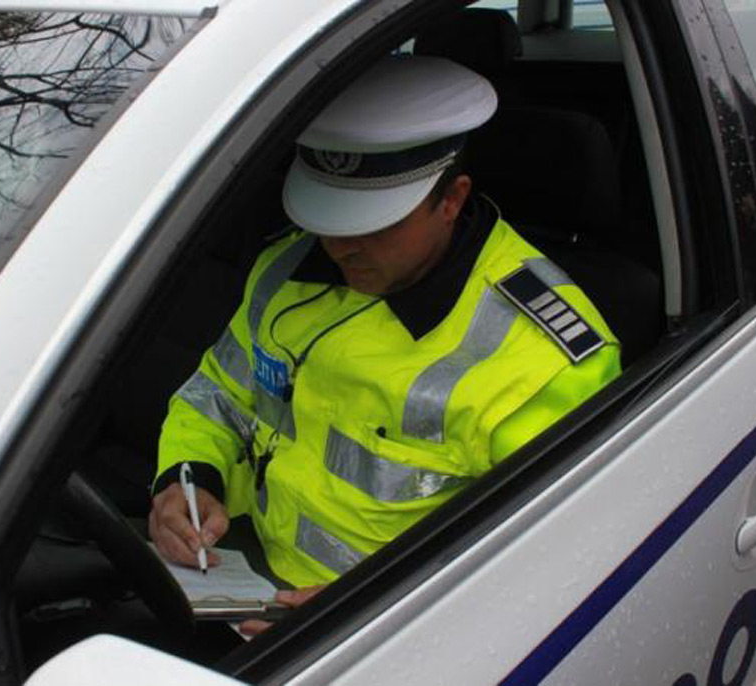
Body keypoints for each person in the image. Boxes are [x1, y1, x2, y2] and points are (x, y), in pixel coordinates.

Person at [149, 54, 621, 630]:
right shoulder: (286, 267)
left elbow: (562, 565)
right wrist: (188, 479)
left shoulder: (541, 360)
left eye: (372, 225)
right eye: (329, 218)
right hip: (240, 581)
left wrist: (372, 613)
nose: (338, 247)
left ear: (452, 200)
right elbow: (217, 393)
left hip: (398, 638)